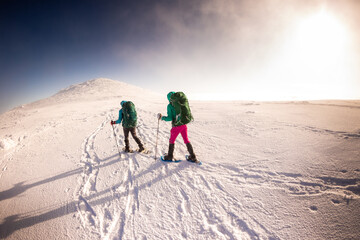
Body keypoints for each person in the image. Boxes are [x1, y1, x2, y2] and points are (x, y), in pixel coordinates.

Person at [158, 91, 197, 162]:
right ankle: (193, 156)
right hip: (183, 124)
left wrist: (162, 118)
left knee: (171, 140)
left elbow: (170, 118)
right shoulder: (180, 103)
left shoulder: (170, 106)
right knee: (186, 140)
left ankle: (170, 156)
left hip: (176, 126)